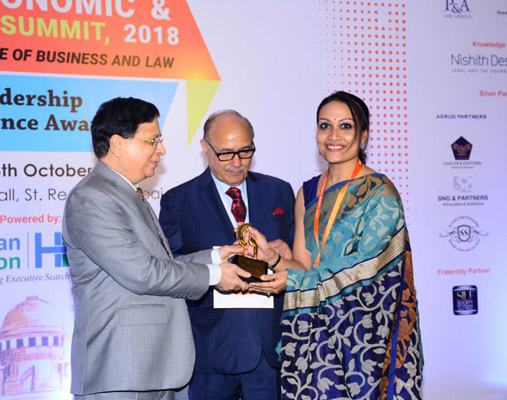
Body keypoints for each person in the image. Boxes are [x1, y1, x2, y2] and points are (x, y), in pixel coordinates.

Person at [62, 97, 251, 400]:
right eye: (153, 141)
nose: (161, 150)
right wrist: (215, 275)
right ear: (117, 144)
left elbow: (161, 262)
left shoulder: (128, 194)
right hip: (122, 372)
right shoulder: (92, 198)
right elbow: (143, 273)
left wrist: (216, 256)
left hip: (155, 367)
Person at [247, 91, 423, 399]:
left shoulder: (381, 194)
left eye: (345, 126)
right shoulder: (307, 193)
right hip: (312, 335)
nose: (333, 136)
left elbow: (368, 272)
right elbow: (303, 266)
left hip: (362, 336)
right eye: (325, 125)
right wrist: (272, 258)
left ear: (363, 136)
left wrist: (295, 281)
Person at [159, 110, 295, 400]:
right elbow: (170, 270)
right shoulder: (178, 201)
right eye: (225, 154)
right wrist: (214, 271)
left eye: (245, 151)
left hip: (270, 349)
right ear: (205, 148)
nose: (237, 162)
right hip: (211, 350)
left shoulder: (279, 192)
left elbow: (299, 263)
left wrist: (286, 257)